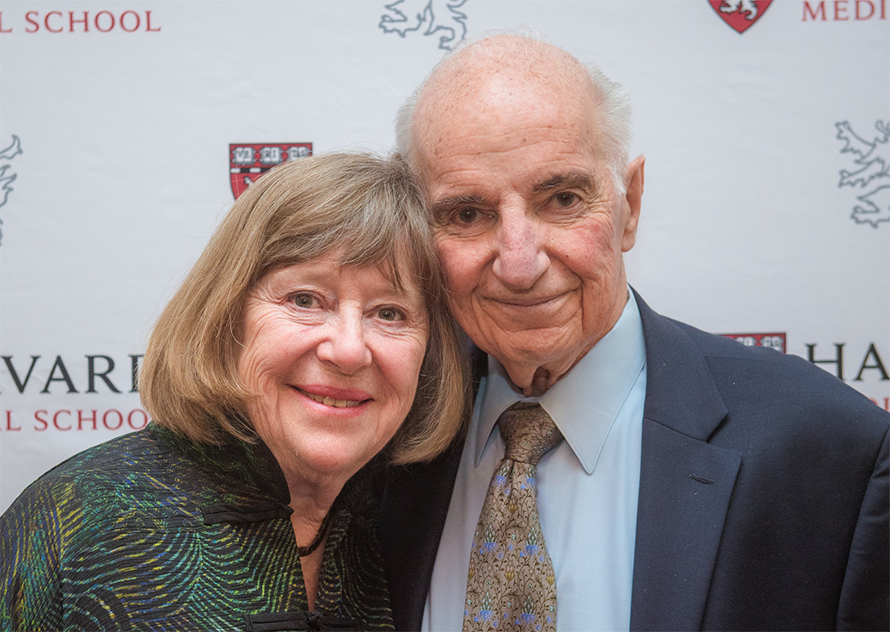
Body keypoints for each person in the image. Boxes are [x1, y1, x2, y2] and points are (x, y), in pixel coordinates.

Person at [379, 33, 890, 631]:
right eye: (467, 214)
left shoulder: (833, 452)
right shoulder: (377, 434)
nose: (519, 264)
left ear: (632, 205)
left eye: (562, 198)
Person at [0, 152, 467, 630]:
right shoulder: (74, 521)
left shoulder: (412, 528)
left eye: (389, 313)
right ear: (226, 317)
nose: (349, 351)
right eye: (305, 300)